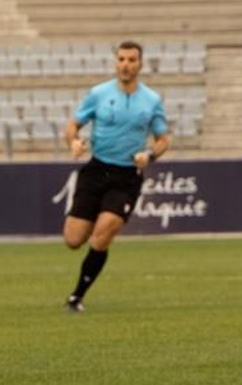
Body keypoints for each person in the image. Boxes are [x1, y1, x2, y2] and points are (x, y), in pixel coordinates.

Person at [60, 40, 170, 312]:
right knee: (73, 240)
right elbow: (74, 124)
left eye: (132, 60)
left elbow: (163, 139)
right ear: (115, 62)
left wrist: (150, 155)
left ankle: (76, 297)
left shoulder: (152, 100)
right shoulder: (98, 93)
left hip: (126, 176)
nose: (126, 65)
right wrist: (74, 142)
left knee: (102, 236)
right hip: (96, 170)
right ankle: (90, 227)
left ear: (140, 64)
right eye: (121, 59)